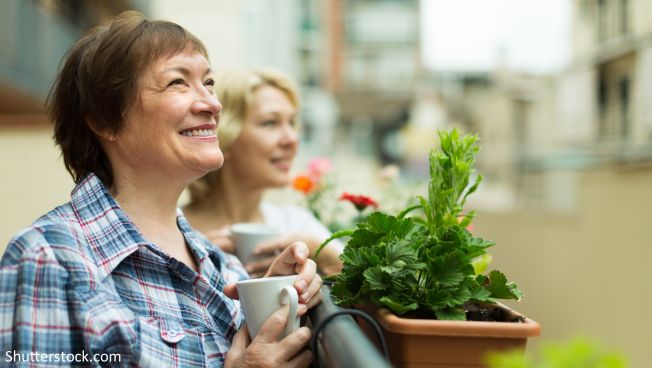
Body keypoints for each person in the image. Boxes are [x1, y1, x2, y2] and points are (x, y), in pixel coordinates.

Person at [0, 11, 321, 367]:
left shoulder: (223, 266)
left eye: (209, 83)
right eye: (177, 83)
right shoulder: (48, 258)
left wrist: (271, 299)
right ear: (105, 119)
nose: (212, 104)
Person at [183, 69, 343, 278]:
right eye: (270, 123)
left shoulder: (297, 226)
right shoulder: (176, 232)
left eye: (292, 123)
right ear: (223, 134)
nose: (291, 139)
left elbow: (377, 301)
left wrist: (322, 254)